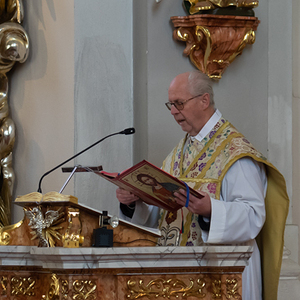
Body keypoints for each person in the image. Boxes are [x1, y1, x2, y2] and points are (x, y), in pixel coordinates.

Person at [116, 71, 289, 300]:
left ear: (204, 100)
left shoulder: (236, 154)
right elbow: (161, 216)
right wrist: (134, 202)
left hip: (224, 273)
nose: (173, 111)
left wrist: (211, 212)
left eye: (179, 103)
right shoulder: (176, 156)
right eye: (170, 104)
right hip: (179, 277)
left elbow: (253, 215)